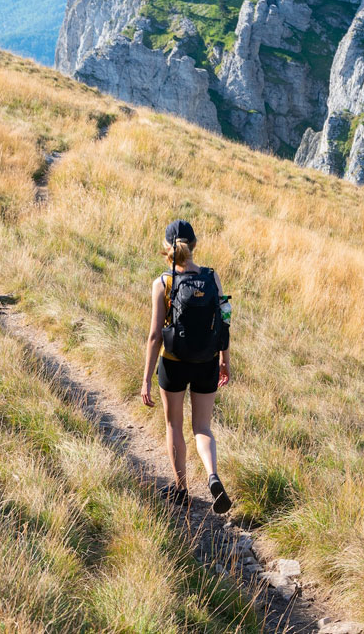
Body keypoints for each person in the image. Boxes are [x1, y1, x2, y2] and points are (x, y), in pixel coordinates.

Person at [141, 219, 233, 514]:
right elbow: (224, 323)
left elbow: (155, 336)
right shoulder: (212, 278)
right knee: (202, 427)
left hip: (174, 364)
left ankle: (181, 489)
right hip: (207, 361)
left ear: (167, 247)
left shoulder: (163, 282)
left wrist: (145, 380)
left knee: (174, 425)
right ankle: (212, 475)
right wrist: (224, 360)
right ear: (194, 246)